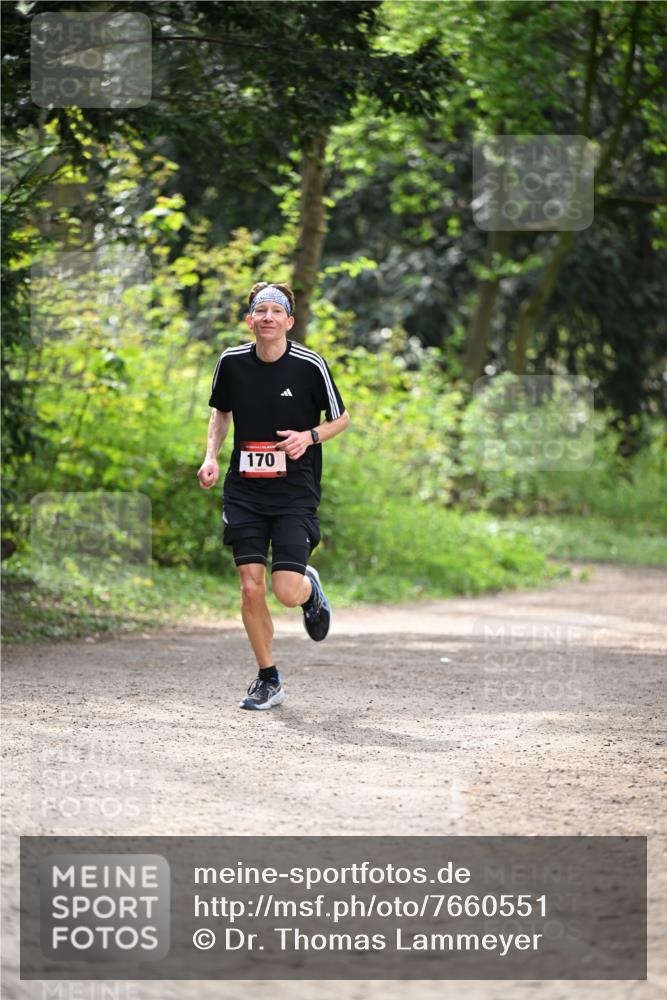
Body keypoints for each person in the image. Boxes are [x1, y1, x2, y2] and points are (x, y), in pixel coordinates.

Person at [197, 282, 350, 711]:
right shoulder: (231, 362)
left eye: (275, 311)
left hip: (293, 492)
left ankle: (309, 588)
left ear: (289, 321)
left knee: (284, 590)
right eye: (259, 310)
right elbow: (220, 410)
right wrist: (210, 456)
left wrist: (310, 436)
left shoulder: (309, 365)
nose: (267, 317)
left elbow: (342, 418)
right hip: (244, 489)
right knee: (250, 586)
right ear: (250, 320)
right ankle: (269, 678)